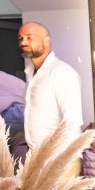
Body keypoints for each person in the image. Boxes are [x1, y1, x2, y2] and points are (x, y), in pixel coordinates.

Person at [18, 22, 83, 157]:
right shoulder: (31, 73)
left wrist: (66, 159)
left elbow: (72, 120)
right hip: (36, 156)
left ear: (46, 41)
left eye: (29, 37)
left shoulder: (61, 72)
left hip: (59, 157)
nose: (23, 42)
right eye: (21, 38)